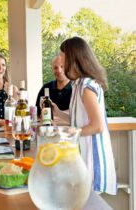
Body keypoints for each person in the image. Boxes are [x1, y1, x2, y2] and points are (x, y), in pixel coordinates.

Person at [54, 36, 117, 195]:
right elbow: (79, 120)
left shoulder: (87, 86)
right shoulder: (77, 84)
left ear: (72, 57)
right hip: (82, 154)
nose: (59, 58)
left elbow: (97, 126)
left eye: (62, 55)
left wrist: (70, 132)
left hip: (92, 158)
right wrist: (59, 113)